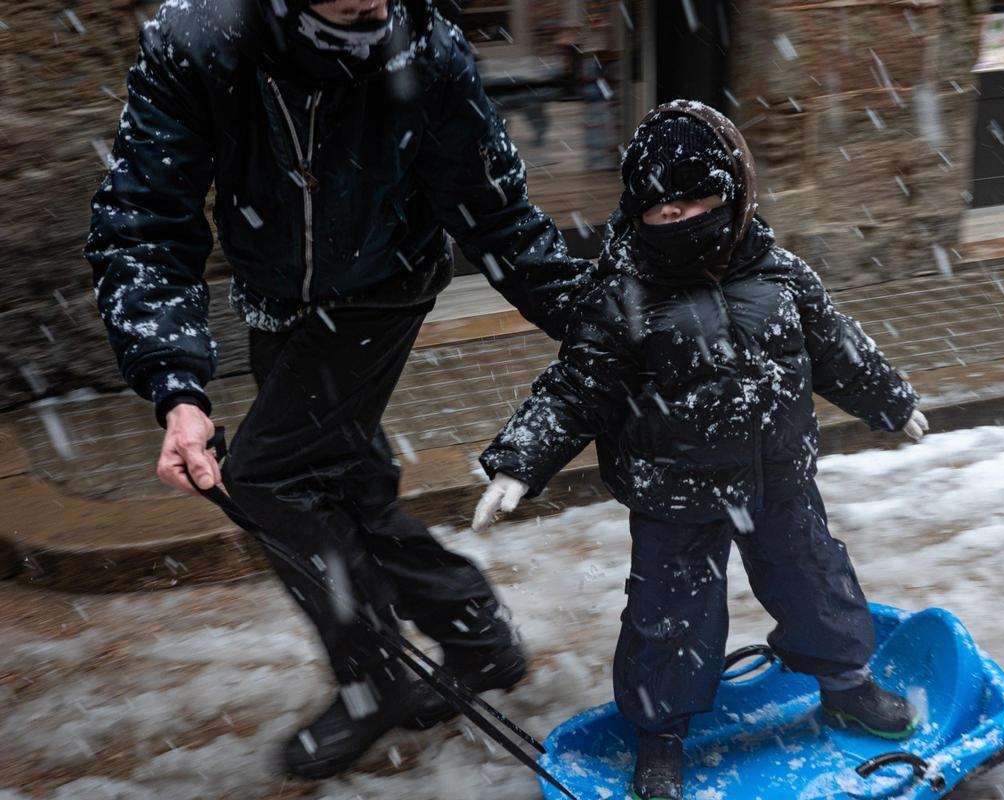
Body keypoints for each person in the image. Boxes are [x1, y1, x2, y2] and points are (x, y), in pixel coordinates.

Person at [84, 0, 589, 781]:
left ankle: (374, 673)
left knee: (267, 479)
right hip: (276, 294)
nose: (369, 6)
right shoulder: (201, 44)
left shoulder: (427, 47)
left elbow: (497, 215)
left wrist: (602, 331)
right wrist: (177, 388)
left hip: (382, 285)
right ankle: (474, 634)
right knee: (344, 477)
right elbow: (146, 220)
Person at [472, 100, 930, 800]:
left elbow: (838, 348)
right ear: (637, 211)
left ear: (733, 194)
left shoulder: (782, 276)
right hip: (673, 496)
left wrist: (891, 401)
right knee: (668, 621)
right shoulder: (620, 295)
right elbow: (576, 386)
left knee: (816, 581)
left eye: (698, 200)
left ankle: (846, 685)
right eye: (663, 210)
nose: (681, 218)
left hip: (778, 481)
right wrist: (518, 461)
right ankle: (660, 738)